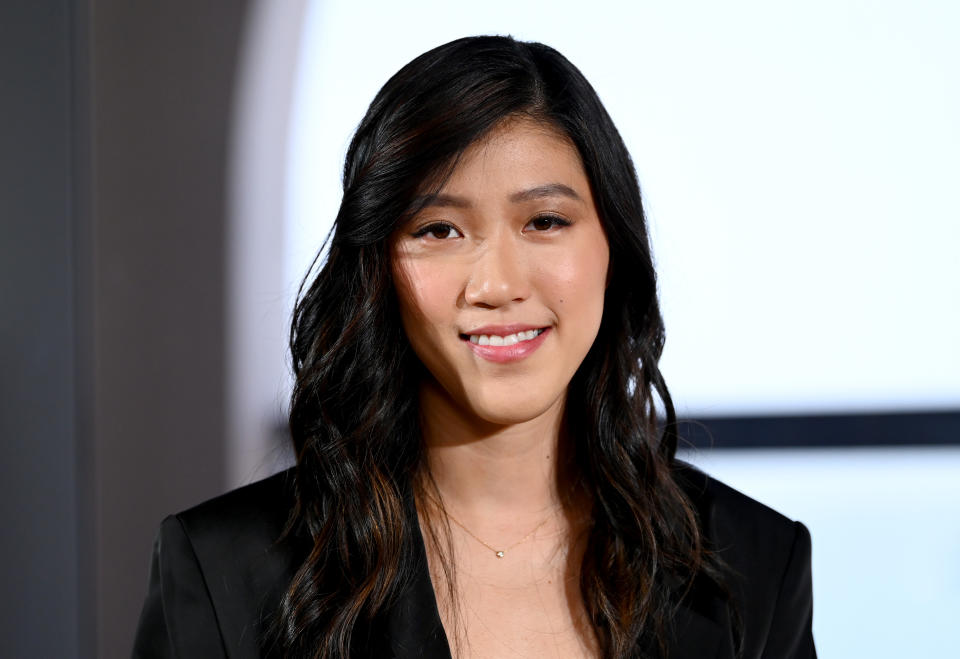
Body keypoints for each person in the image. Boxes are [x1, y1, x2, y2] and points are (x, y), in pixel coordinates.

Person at [133, 36, 815, 658]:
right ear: (377, 266)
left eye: (545, 221)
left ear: (615, 246)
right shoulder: (228, 571)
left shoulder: (752, 566)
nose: (495, 284)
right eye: (439, 230)